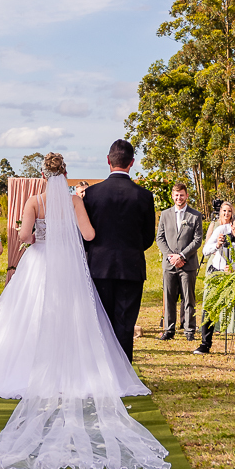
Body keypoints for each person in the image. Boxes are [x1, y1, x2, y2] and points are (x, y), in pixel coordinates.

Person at [0, 152, 169, 469]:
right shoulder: (74, 200)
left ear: (42, 174)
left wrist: (35, 237)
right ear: (64, 173)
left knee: (29, 315)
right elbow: (89, 235)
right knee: (73, 316)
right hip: (66, 266)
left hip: (37, 262)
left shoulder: (35, 201)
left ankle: (28, 365)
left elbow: (23, 236)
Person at [81, 139, 157, 362]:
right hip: (130, 267)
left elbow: (85, 234)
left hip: (99, 267)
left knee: (100, 322)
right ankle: (123, 374)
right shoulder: (143, 195)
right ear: (132, 162)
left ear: (108, 161)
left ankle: (100, 371)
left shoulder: (92, 194)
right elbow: (147, 238)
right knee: (125, 324)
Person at [195, 201, 235, 355]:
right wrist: (217, 245)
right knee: (210, 308)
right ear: (231, 225)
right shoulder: (221, 230)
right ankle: (205, 344)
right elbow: (206, 250)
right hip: (219, 272)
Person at [157, 182, 203, 341]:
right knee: (169, 297)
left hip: (187, 264)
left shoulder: (195, 215)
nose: (179, 198)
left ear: (187, 196)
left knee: (188, 298)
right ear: (172, 196)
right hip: (169, 264)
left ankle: (189, 330)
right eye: (176, 195)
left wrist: (182, 256)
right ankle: (169, 330)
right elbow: (160, 238)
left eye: (181, 195)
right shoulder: (165, 214)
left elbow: (197, 240)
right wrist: (171, 256)